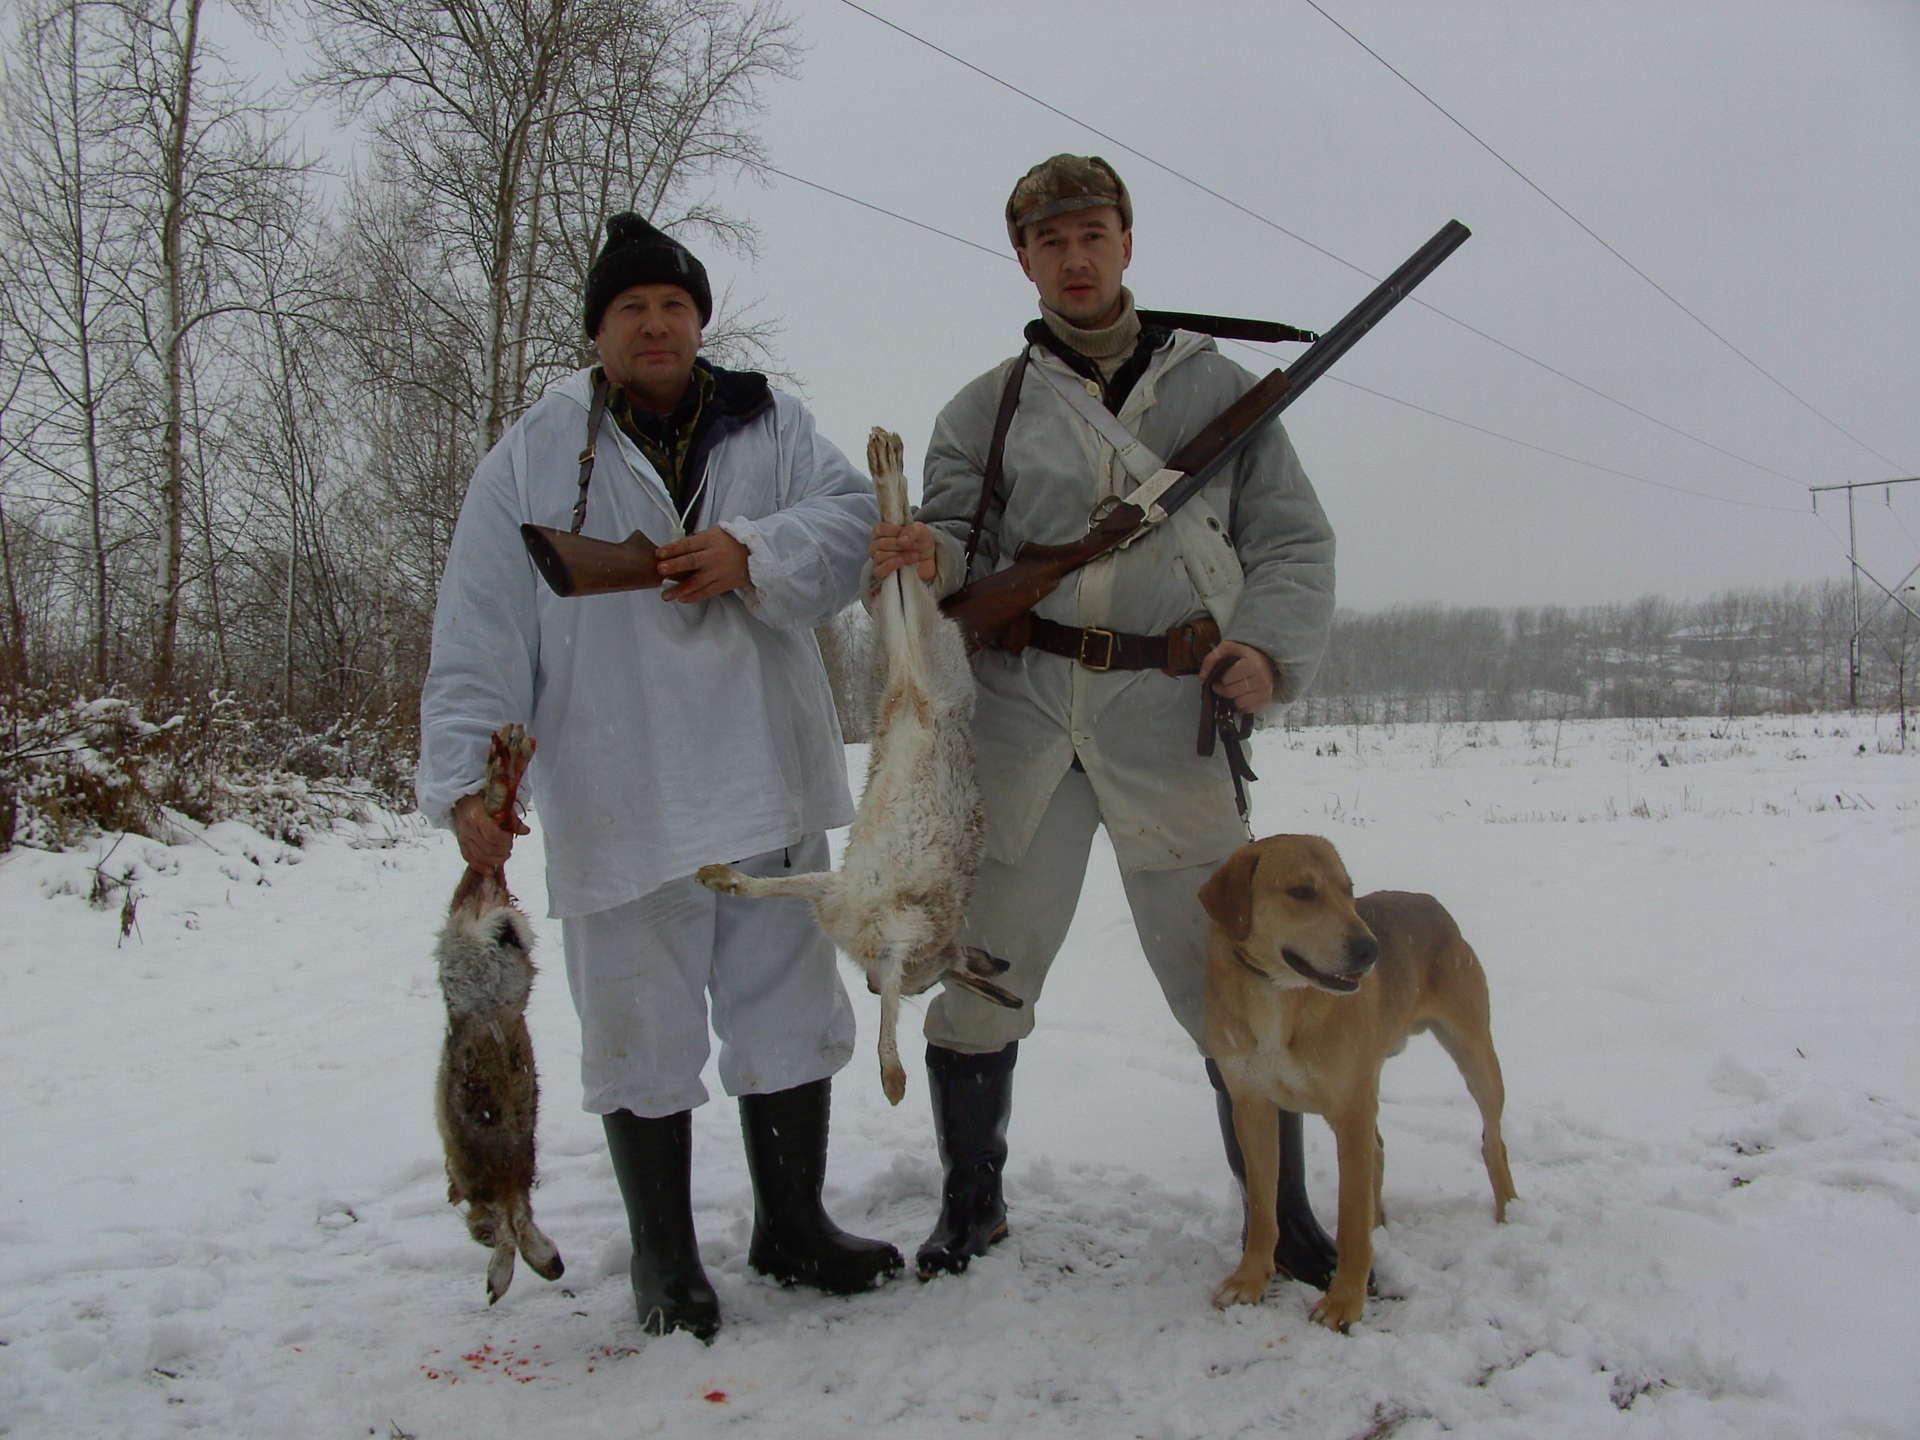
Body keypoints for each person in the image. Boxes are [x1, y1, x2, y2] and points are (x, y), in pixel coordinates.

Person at [419, 213, 896, 1341]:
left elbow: (847, 528)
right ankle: (665, 1258)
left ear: (699, 322)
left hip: (765, 775)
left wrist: (751, 553)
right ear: (598, 332)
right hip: (617, 781)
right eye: (631, 308)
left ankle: (793, 1225)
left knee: (786, 1003)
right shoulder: (535, 450)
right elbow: (482, 621)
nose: (655, 324)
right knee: (639, 1026)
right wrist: (469, 782)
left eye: (674, 306)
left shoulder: (771, 423)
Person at [869, 155, 1340, 1283]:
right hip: (1024, 727)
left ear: (1126, 242)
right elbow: (954, 554)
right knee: (984, 976)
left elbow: (1291, 543)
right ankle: (970, 1207)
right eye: (1050, 241)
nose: (1074, 259)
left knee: (1235, 973)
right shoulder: (982, 410)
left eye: (1092, 235)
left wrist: (1267, 650)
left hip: (1171, 723)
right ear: (1023, 259)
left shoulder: (1220, 391)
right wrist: (925, 555)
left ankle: (1285, 1222)